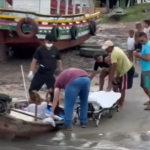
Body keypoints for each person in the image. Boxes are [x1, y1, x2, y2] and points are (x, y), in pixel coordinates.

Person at [28, 33, 63, 114]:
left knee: (54, 92)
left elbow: (59, 62)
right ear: (45, 41)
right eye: (48, 41)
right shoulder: (40, 49)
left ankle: (55, 111)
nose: (49, 43)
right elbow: (34, 61)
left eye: (51, 41)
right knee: (32, 90)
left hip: (50, 74)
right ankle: (32, 107)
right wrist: (31, 71)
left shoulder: (55, 50)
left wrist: (61, 74)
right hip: (40, 73)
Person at [102, 40, 135, 107]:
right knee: (116, 85)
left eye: (106, 49)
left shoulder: (114, 54)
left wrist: (110, 83)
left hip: (126, 70)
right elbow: (113, 67)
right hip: (120, 71)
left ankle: (120, 103)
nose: (105, 50)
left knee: (122, 87)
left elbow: (113, 69)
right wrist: (114, 78)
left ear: (111, 47)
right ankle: (116, 100)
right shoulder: (115, 49)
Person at [133, 32, 150, 110]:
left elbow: (147, 58)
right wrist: (139, 54)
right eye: (140, 41)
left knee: (146, 86)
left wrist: (138, 55)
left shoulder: (148, 45)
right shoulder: (144, 45)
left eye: (141, 40)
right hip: (144, 69)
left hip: (147, 70)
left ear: (145, 37)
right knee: (143, 86)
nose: (140, 42)